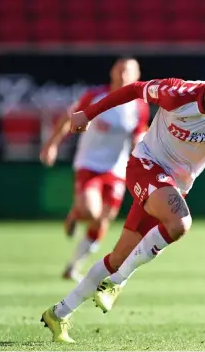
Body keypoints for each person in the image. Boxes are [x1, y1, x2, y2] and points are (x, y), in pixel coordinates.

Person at [40, 47, 205, 343]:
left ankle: (58, 313)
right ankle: (116, 284)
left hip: (173, 184)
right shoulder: (177, 93)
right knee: (180, 223)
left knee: (118, 257)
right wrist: (88, 114)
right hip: (145, 166)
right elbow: (132, 90)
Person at [40, 58, 149, 282]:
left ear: (136, 77)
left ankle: (73, 267)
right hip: (89, 164)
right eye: (119, 70)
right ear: (112, 71)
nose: (122, 75)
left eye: (127, 71)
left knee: (103, 219)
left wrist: (144, 150)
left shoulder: (138, 106)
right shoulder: (95, 96)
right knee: (91, 211)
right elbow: (68, 118)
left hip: (116, 169)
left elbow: (139, 134)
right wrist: (52, 144)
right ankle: (76, 213)